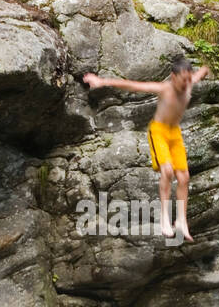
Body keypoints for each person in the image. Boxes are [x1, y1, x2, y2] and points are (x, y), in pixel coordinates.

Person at [83, 58, 209, 241]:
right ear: (173, 78)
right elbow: (132, 85)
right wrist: (102, 82)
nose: (186, 84)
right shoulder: (164, 89)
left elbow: (201, 72)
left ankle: (181, 221)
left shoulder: (189, 83)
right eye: (183, 80)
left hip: (175, 133)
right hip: (158, 131)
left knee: (184, 177)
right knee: (167, 171)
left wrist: (205, 69)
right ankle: (164, 218)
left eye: (189, 79)